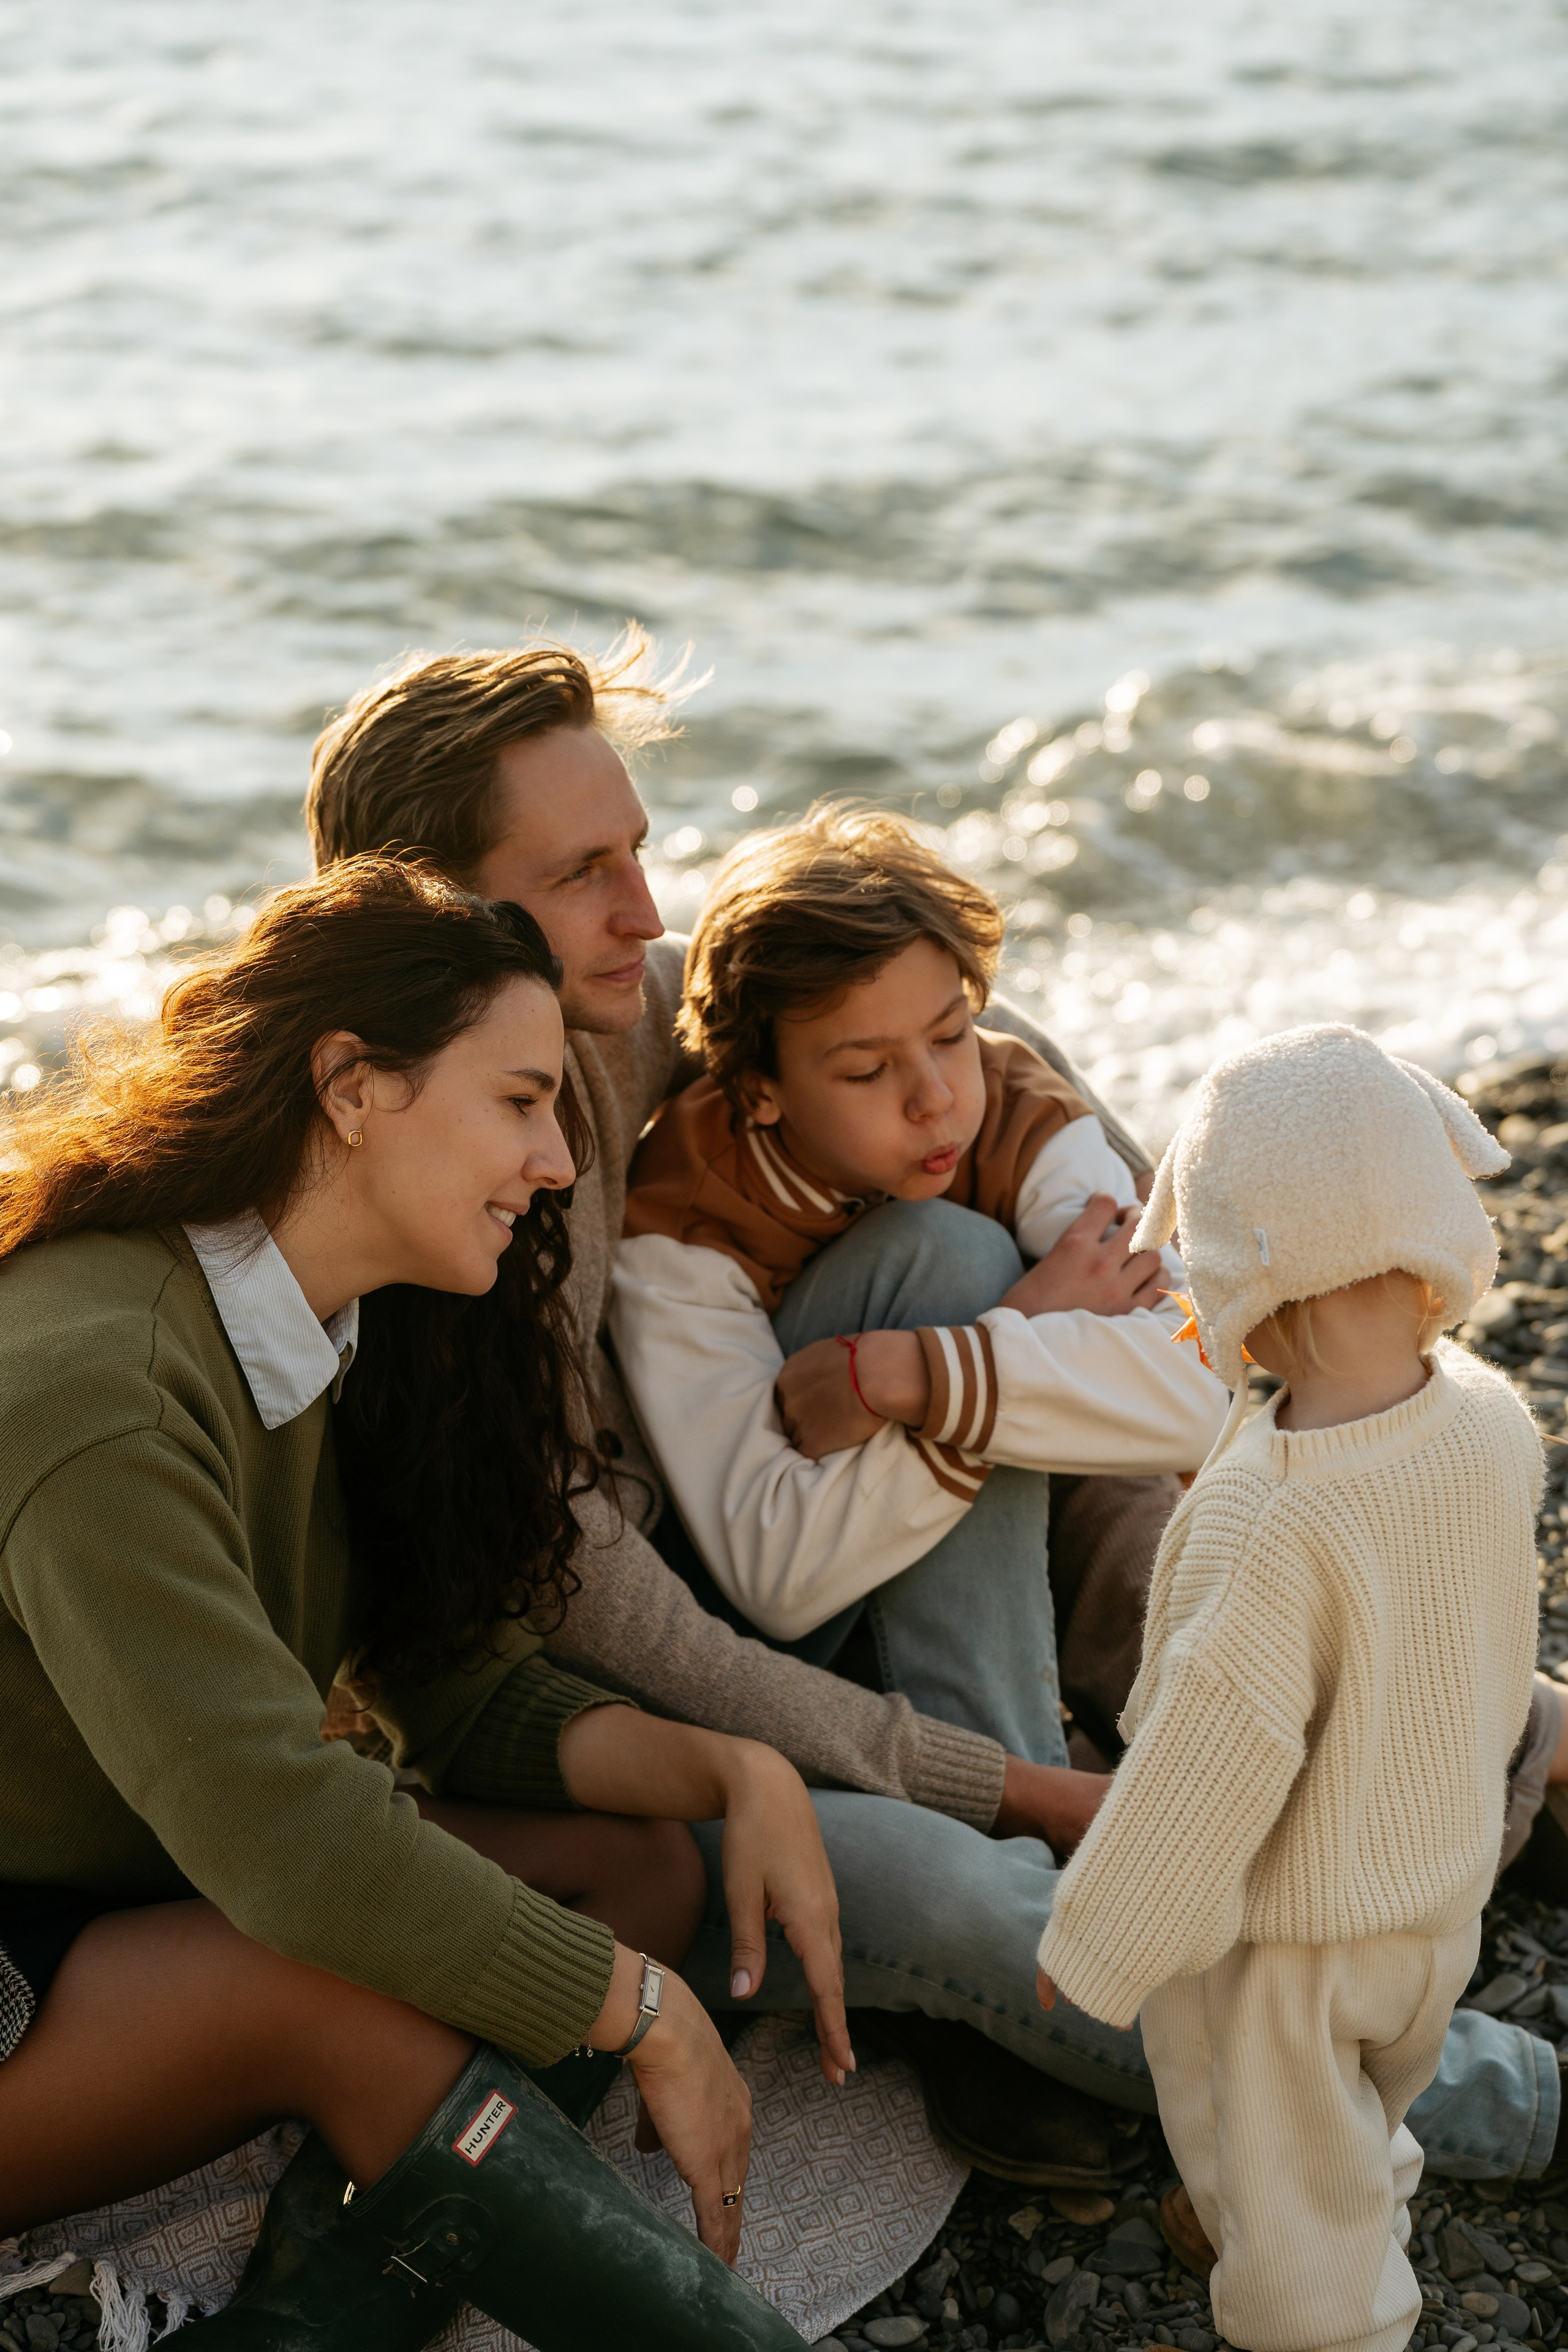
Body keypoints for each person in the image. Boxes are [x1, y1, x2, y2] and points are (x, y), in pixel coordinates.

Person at [303, 636, 1566, 2191]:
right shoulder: (405, 1208)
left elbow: (891, 1013)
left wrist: (1105, 1218)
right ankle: (1504, 2095)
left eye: (637, 849)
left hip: (790, 1559)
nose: (643, 908)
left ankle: (1413, 1772)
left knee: (959, 1269)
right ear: (424, 923)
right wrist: (1008, 1792)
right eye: (582, 873)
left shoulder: (615, 1004)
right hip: (624, 1729)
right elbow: (592, 1616)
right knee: (954, 1888)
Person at [0, 856, 847, 2351]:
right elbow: (285, 1839)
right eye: (518, 1101)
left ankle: (311, 2317)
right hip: (22, 1952)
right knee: (327, 1994)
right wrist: (642, 2015)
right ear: (349, 1085)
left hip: (133, 1879)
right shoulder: (105, 1384)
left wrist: (732, 1766)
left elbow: (443, 1686)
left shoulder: (324, 1327)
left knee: (640, 1874)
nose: (560, 1162)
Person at [1038, 1025, 1540, 2352]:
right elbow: (1486, 1644)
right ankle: (1352, 2216)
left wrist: (1095, 1936)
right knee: (1362, 2118)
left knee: (1281, 2181)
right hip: (1435, 1901)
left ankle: (1330, 2309)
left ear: (1248, 1278)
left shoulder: (1266, 1512)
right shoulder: (1488, 1420)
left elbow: (1205, 1761)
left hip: (1287, 1945)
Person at [610, 806, 1227, 1762]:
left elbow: (1196, 1390)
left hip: (992, 1579)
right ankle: (1027, 1807)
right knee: (946, 1254)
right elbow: (776, 1575)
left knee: (1148, 1530)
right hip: (796, 1663)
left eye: (950, 1035)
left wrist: (912, 1376)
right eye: (867, 1070)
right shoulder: (684, 1225)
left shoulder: (1017, 1107)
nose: (936, 1096)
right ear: (759, 1090)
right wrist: (1013, 1326)